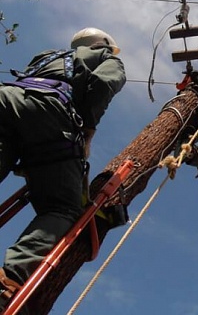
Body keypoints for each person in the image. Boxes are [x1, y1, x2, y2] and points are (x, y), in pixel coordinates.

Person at [0, 27, 126, 312]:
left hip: (7, 98)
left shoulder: (46, 56)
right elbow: (105, 84)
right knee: (63, 208)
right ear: (105, 43)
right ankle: (9, 280)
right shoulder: (106, 56)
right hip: (48, 113)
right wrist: (89, 133)